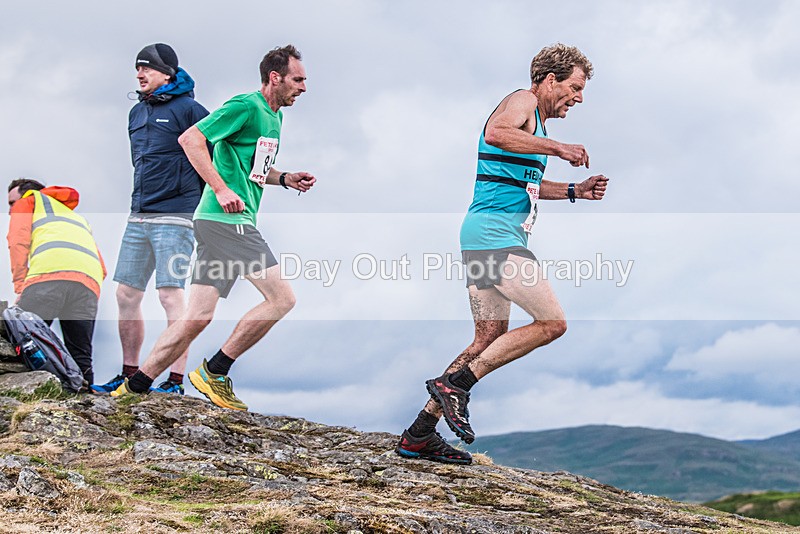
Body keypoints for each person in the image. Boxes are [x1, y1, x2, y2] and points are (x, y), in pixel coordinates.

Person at [396, 44, 609, 464]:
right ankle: (457, 383)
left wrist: (573, 191)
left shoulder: (537, 127)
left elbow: (521, 185)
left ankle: (419, 434)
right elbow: (496, 132)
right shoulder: (523, 101)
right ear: (551, 80)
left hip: (485, 236)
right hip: (495, 237)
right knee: (552, 323)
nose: (579, 98)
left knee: (488, 337)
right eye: (576, 87)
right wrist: (560, 149)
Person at [112, 44, 316, 410]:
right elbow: (190, 139)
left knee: (196, 318)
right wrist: (220, 189)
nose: (303, 88)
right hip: (226, 221)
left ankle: (134, 388)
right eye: (298, 80)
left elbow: (254, 168)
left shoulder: (275, 117)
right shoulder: (244, 106)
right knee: (282, 298)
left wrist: (285, 178)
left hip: (219, 222)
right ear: (275, 77)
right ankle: (215, 372)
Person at [91, 44, 209, 396]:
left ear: (167, 74)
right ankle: (130, 373)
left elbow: (217, 154)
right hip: (139, 212)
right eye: (137, 69)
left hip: (177, 213)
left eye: (147, 69)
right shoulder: (136, 113)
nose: (140, 74)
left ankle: (175, 380)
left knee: (171, 295)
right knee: (126, 294)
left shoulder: (190, 109)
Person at [7, 178, 107, 387]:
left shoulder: (29, 201)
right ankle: (86, 399)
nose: (10, 210)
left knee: (18, 334)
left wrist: (20, 286)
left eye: (11, 203)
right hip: (88, 283)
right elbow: (102, 267)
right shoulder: (74, 217)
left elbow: (17, 241)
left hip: (49, 275)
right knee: (81, 353)